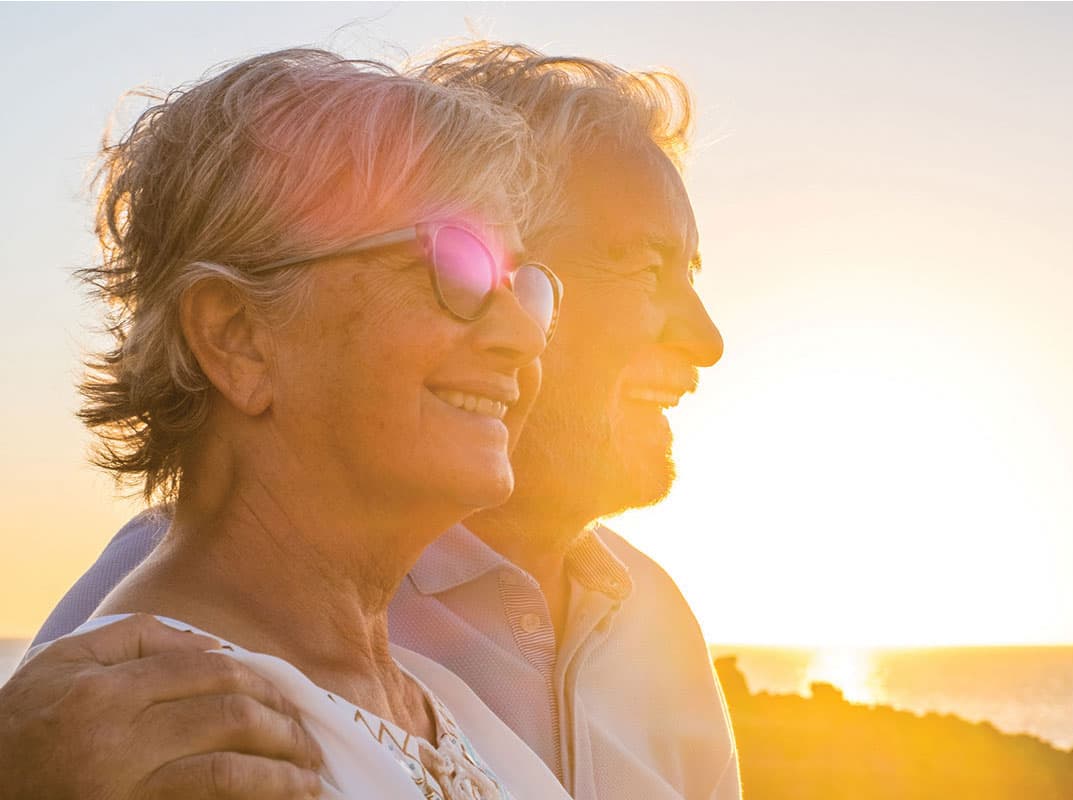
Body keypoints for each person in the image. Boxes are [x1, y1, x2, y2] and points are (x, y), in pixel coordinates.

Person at [5, 42, 738, 800]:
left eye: (524, 286)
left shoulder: (438, 709)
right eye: (456, 266)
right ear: (238, 335)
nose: (524, 333)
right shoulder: (153, 729)